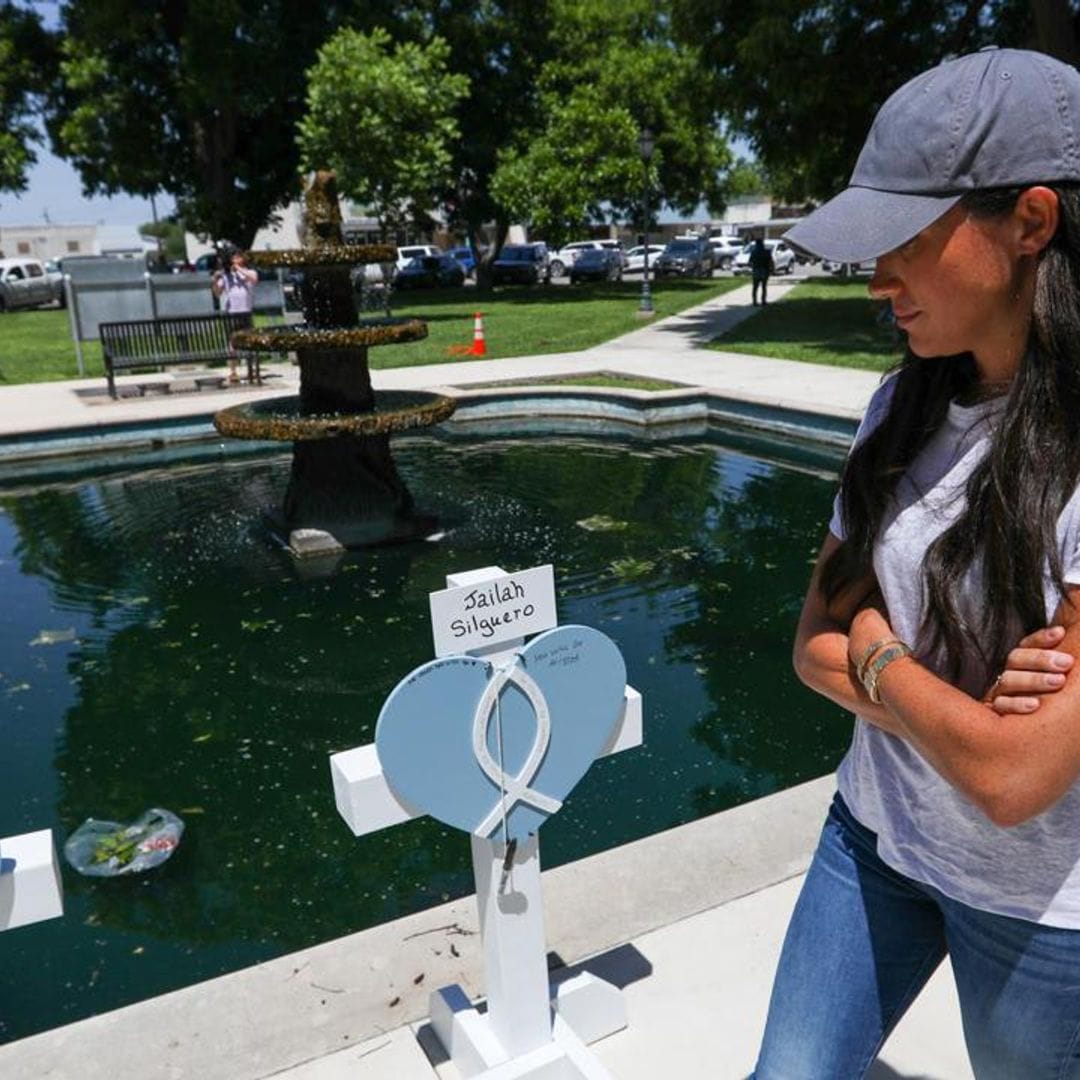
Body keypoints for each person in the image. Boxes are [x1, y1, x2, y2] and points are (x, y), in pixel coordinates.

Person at [754, 48, 1080, 1079]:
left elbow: (1014, 782)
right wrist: (965, 715)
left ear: (1032, 222)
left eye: (905, 237)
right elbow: (810, 646)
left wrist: (879, 653)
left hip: (1044, 912)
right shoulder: (898, 407)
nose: (876, 274)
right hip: (874, 841)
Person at [211, 248, 257, 383]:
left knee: (251, 341)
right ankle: (233, 371)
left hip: (246, 311)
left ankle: (252, 369)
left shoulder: (249, 272)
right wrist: (215, 280)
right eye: (234, 258)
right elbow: (218, 293)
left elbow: (253, 279)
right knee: (232, 343)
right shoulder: (227, 276)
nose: (236, 260)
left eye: (238, 257)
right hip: (232, 313)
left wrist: (238, 269)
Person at [748, 236, 773, 305]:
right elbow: (771, 261)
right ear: (762, 244)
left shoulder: (753, 252)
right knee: (764, 287)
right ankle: (763, 301)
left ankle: (754, 302)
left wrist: (753, 267)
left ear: (756, 244)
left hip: (756, 270)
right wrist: (771, 269)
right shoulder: (767, 252)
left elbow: (749, 262)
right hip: (764, 270)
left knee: (755, 287)